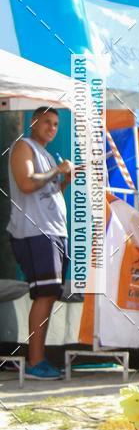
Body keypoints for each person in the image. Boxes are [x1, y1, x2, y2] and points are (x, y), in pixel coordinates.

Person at [7, 107, 72, 379]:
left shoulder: (46, 153)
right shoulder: (24, 147)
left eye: (56, 123)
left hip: (54, 231)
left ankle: (39, 357)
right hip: (35, 232)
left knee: (50, 292)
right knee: (44, 293)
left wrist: (64, 178)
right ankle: (34, 360)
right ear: (33, 122)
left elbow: (49, 191)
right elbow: (25, 182)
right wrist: (57, 169)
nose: (52, 127)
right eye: (46, 121)